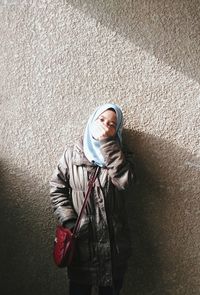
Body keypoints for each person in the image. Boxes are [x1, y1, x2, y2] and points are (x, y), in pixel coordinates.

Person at [50, 103, 135, 295]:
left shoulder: (121, 154)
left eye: (112, 124)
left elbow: (125, 182)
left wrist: (108, 145)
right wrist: (70, 221)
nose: (106, 126)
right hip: (82, 247)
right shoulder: (71, 155)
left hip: (114, 248)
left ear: (117, 130)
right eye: (102, 120)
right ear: (92, 121)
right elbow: (57, 189)